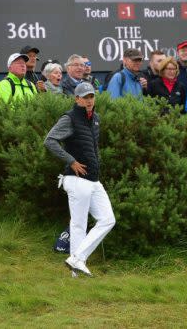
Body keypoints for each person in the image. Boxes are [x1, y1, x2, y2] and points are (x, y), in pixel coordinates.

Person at [44, 82, 115, 277]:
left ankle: (77, 258)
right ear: (77, 99)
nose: (89, 100)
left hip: (93, 179)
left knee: (108, 219)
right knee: (78, 224)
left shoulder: (96, 119)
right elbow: (49, 140)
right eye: (85, 97)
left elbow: (93, 147)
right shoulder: (70, 118)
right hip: (75, 178)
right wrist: (71, 161)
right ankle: (75, 272)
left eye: (91, 96)